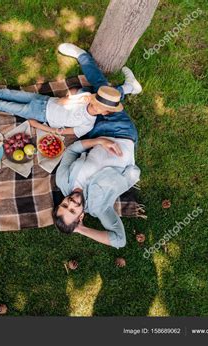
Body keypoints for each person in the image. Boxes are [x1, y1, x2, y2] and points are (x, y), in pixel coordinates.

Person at [52, 43, 142, 247]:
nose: (72, 202)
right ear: (80, 216)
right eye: (73, 210)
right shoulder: (100, 208)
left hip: (95, 132)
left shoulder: (62, 181)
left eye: (65, 204)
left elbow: (73, 149)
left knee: (86, 95)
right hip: (122, 132)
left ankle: (126, 88)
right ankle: (87, 59)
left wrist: (99, 141)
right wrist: (81, 230)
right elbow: (120, 241)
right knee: (101, 94)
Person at [0, 57, 139, 138]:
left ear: (105, 112)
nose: (96, 104)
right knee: (7, 93)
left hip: (41, 115)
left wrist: (39, 126)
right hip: (42, 100)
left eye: (102, 107)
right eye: (97, 99)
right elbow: (61, 101)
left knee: (3, 105)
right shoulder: (84, 99)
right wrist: (78, 98)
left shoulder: (87, 124)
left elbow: (64, 132)